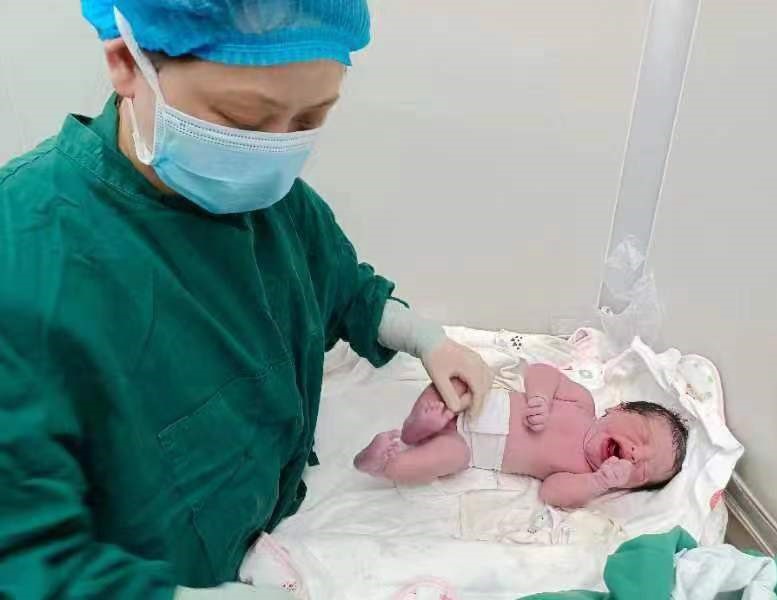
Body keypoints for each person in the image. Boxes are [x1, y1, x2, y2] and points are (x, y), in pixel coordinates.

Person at [0, 2, 493, 598]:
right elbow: (26, 561)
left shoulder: (268, 199)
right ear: (128, 62)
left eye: (309, 118)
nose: (273, 152)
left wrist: (425, 339)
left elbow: (338, 284)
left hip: (271, 526)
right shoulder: (25, 257)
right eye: (243, 119)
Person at [355, 363, 688, 508]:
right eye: (642, 436)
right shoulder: (581, 404)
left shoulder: (582, 475)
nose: (635, 455)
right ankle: (417, 426)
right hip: (475, 403)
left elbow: (551, 493)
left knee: (446, 459)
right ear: (619, 408)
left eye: (641, 471)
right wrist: (540, 397)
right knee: (457, 384)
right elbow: (540, 372)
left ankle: (382, 463)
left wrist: (598, 483)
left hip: (469, 447)